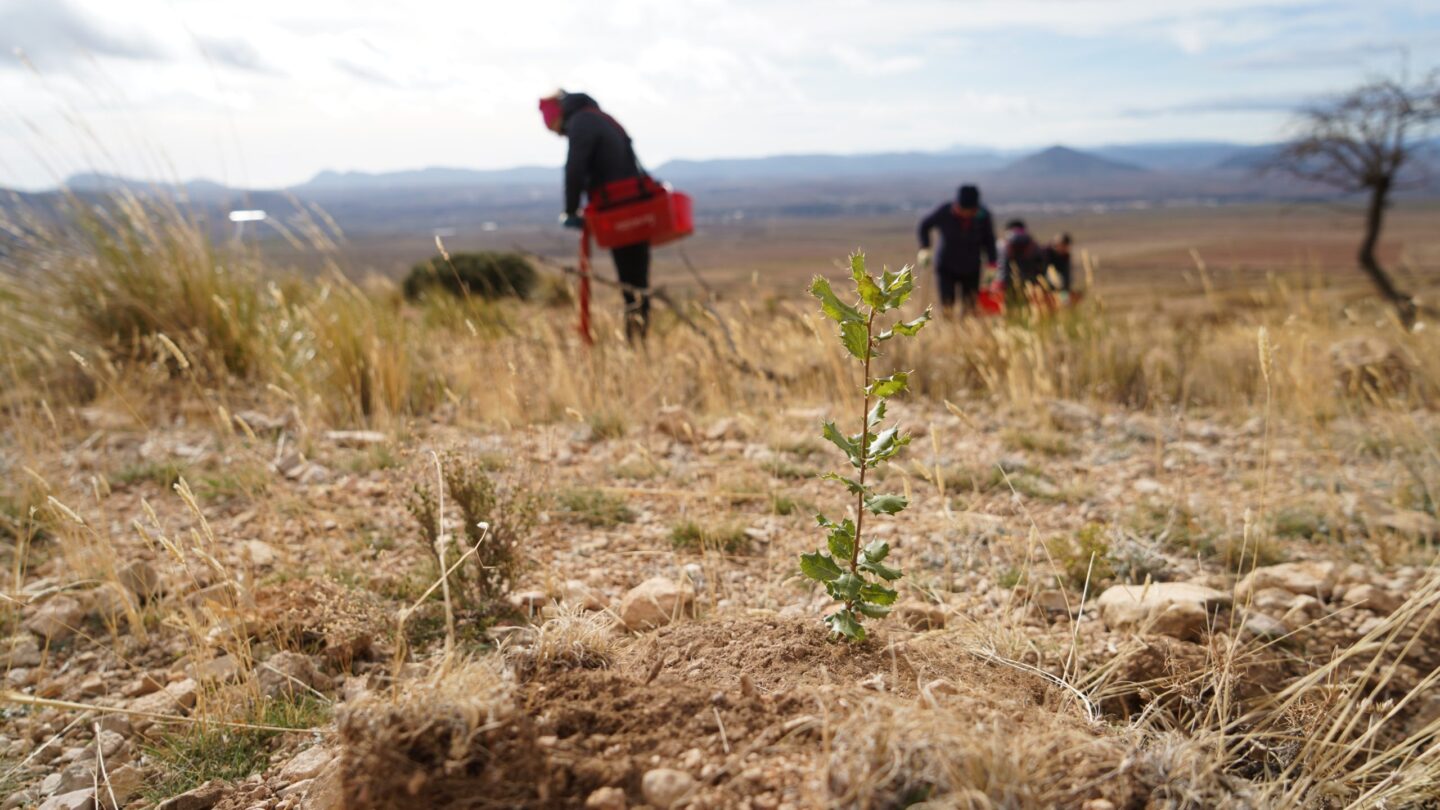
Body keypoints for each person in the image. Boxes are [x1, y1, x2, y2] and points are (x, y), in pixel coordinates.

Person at [540, 90, 652, 342]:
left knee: (631, 282)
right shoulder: (597, 117)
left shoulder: (581, 122)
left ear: (557, 116)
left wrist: (570, 210)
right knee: (637, 281)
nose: (558, 134)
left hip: (620, 209)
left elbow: (575, 169)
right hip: (633, 205)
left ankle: (635, 343)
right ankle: (638, 341)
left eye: (553, 128)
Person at [916, 184, 997, 314]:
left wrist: (992, 263)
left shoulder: (983, 216)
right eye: (963, 210)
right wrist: (925, 247)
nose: (966, 213)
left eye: (970, 211)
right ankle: (948, 325)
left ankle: (967, 326)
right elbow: (924, 225)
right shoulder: (944, 211)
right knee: (947, 304)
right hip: (946, 266)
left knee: (970, 306)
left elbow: (989, 240)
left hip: (972, 267)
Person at [996, 219, 1047, 305]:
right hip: (1030, 282)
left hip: (1010, 283)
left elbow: (1002, 265)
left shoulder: (1003, 244)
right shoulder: (1033, 243)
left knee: (1011, 304)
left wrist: (1001, 281)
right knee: (1029, 304)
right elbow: (1041, 263)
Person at [1044, 233, 1074, 297]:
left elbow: (1066, 276)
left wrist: (1064, 293)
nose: (1065, 248)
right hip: (1047, 289)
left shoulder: (1065, 256)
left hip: (1061, 289)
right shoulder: (1047, 254)